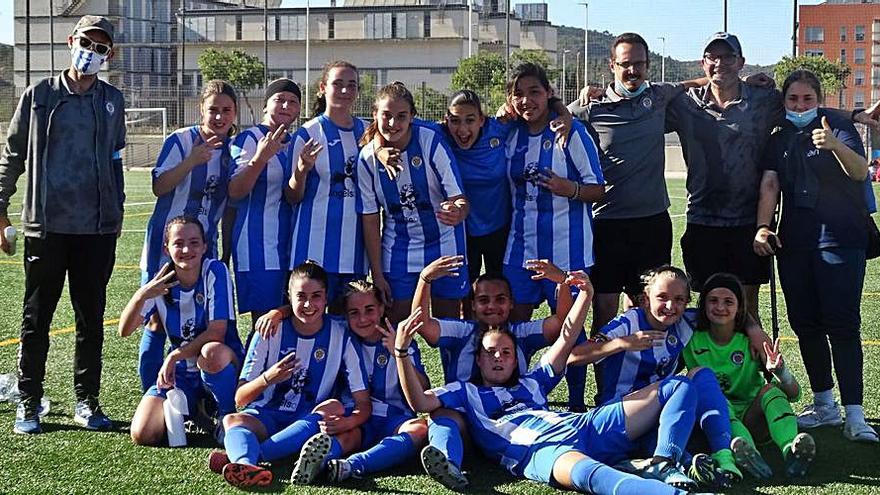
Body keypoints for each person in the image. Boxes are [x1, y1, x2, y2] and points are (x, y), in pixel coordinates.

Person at [397, 276, 704, 494]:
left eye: (505, 352)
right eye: (490, 352)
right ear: (478, 360)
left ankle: (665, 459)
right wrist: (400, 353)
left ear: (516, 360)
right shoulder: (466, 392)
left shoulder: (533, 383)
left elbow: (567, 337)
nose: (499, 358)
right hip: (540, 449)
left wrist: (585, 293)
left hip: (586, 426)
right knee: (588, 474)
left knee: (679, 385)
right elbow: (420, 405)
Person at [667, 32, 880, 319]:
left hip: (748, 221)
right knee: (707, 307)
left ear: (741, 62)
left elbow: (804, 105)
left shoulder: (762, 100)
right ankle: (705, 366)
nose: (720, 63)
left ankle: (750, 365)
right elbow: (645, 104)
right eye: (712, 57)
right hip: (701, 219)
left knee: (746, 308)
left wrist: (854, 114)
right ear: (702, 62)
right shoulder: (684, 104)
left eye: (728, 57)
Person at [1, 15, 125, 435]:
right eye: (87, 41)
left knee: (91, 320)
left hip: (96, 231)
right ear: (72, 40)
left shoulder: (113, 100)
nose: (92, 51)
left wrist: (117, 210)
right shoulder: (39, 96)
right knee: (36, 320)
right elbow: (13, 155)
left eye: (101, 47)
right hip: (45, 228)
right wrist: (0, 211)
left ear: (110, 54)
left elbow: (115, 160)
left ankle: (87, 402)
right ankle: (29, 403)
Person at [754, 69, 878, 443]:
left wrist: (835, 145)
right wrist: (763, 226)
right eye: (793, 99)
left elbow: (861, 173)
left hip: (841, 239)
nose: (800, 105)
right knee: (805, 324)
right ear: (785, 102)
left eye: (807, 99)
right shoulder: (779, 138)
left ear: (818, 99)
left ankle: (855, 415)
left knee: (842, 324)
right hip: (796, 242)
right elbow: (770, 184)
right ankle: (824, 405)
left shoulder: (837, 125)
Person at [569, 265, 770, 487]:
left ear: (686, 303)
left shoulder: (685, 320)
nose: (670, 306)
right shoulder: (629, 322)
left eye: (679, 300)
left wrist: (754, 329)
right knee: (680, 386)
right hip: (620, 416)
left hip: (658, 413)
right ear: (645, 299)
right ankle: (667, 462)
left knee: (702, 375)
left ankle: (721, 457)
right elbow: (574, 356)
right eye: (662, 297)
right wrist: (621, 343)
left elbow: (728, 313)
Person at [409, 255, 582, 490]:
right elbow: (424, 326)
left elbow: (562, 323)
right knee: (442, 416)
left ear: (511, 303)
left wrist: (562, 283)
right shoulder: (462, 331)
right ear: (472, 305)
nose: (492, 306)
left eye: (500, 299)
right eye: (483, 300)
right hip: (468, 418)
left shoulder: (519, 333)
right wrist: (425, 280)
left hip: (509, 419)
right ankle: (447, 463)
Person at [206, 261, 370, 488]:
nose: (309, 304)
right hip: (268, 415)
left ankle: (249, 458)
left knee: (333, 406)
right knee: (232, 420)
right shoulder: (269, 330)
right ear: (289, 297)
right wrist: (269, 378)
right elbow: (240, 399)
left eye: (316, 296)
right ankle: (245, 463)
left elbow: (362, 399)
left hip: (309, 416)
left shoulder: (341, 333)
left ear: (326, 298)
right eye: (301, 296)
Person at [136, 80, 238, 392]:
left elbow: (230, 204)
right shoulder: (181, 141)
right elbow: (159, 186)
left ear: (234, 114)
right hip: (166, 248)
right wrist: (191, 161)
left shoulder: (232, 152)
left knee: (204, 323)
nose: (219, 117)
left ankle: (198, 394)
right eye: (213, 110)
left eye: (226, 111)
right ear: (201, 110)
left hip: (203, 247)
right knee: (156, 318)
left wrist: (227, 248)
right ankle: (151, 394)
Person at [119, 216, 241, 447]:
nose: (186, 249)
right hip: (181, 375)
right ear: (167, 248)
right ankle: (195, 410)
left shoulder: (214, 271)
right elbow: (124, 330)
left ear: (205, 246)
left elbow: (217, 332)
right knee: (143, 433)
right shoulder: (162, 280)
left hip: (220, 364)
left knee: (211, 352)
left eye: (194, 242)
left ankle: (225, 414)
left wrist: (174, 355)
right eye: (178, 243)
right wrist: (142, 295)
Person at [682, 272, 815, 478]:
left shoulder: (752, 340)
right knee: (720, 403)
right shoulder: (690, 339)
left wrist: (780, 372)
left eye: (728, 302)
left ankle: (792, 451)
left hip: (756, 419)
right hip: (718, 425)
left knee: (770, 391)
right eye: (713, 301)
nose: (720, 307)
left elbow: (794, 394)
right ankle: (749, 455)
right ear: (703, 304)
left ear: (740, 307)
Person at [357, 81, 469, 322]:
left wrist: (457, 211)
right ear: (374, 115)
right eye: (386, 116)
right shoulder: (367, 159)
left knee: (447, 327)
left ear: (412, 117)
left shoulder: (430, 142)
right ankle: (399, 361)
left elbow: (459, 199)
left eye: (401, 116)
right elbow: (369, 219)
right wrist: (377, 274)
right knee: (396, 325)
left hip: (444, 243)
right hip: (398, 249)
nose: (393, 124)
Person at [503, 62, 604, 323]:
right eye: (518, 94)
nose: (526, 100)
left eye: (534, 91)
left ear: (548, 92)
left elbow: (598, 190)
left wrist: (570, 189)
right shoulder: (509, 134)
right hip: (520, 251)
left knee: (569, 332)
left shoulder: (571, 132)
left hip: (568, 252)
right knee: (514, 330)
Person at [320, 280, 429, 482]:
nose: (362, 319)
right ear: (346, 315)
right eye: (354, 312)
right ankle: (317, 459)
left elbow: (423, 387)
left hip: (395, 417)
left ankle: (352, 465)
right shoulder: (340, 334)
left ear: (381, 309)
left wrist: (399, 354)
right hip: (355, 415)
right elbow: (309, 314)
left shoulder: (399, 337)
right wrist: (279, 313)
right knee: (347, 438)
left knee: (420, 429)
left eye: (369, 309)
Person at [287, 61, 366, 312]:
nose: (345, 91)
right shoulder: (308, 133)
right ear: (323, 88)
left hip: (355, 247)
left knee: (348, 322)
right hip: (314, 245)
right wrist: (301, 169)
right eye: (338, 84)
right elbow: (292, 195)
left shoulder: (367, 132)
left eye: (351, 85)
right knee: (311, 318)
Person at [228, 78, 300, 334]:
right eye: (279, 99)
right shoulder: (248, 138)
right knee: (266, 324)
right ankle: (255, 373)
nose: (285, 106)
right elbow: (235, 191)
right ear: (265, 105)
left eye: (292, 102)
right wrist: (261, 158)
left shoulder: (297, 141)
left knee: (293, 317)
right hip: (257, 244)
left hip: (290, 244)